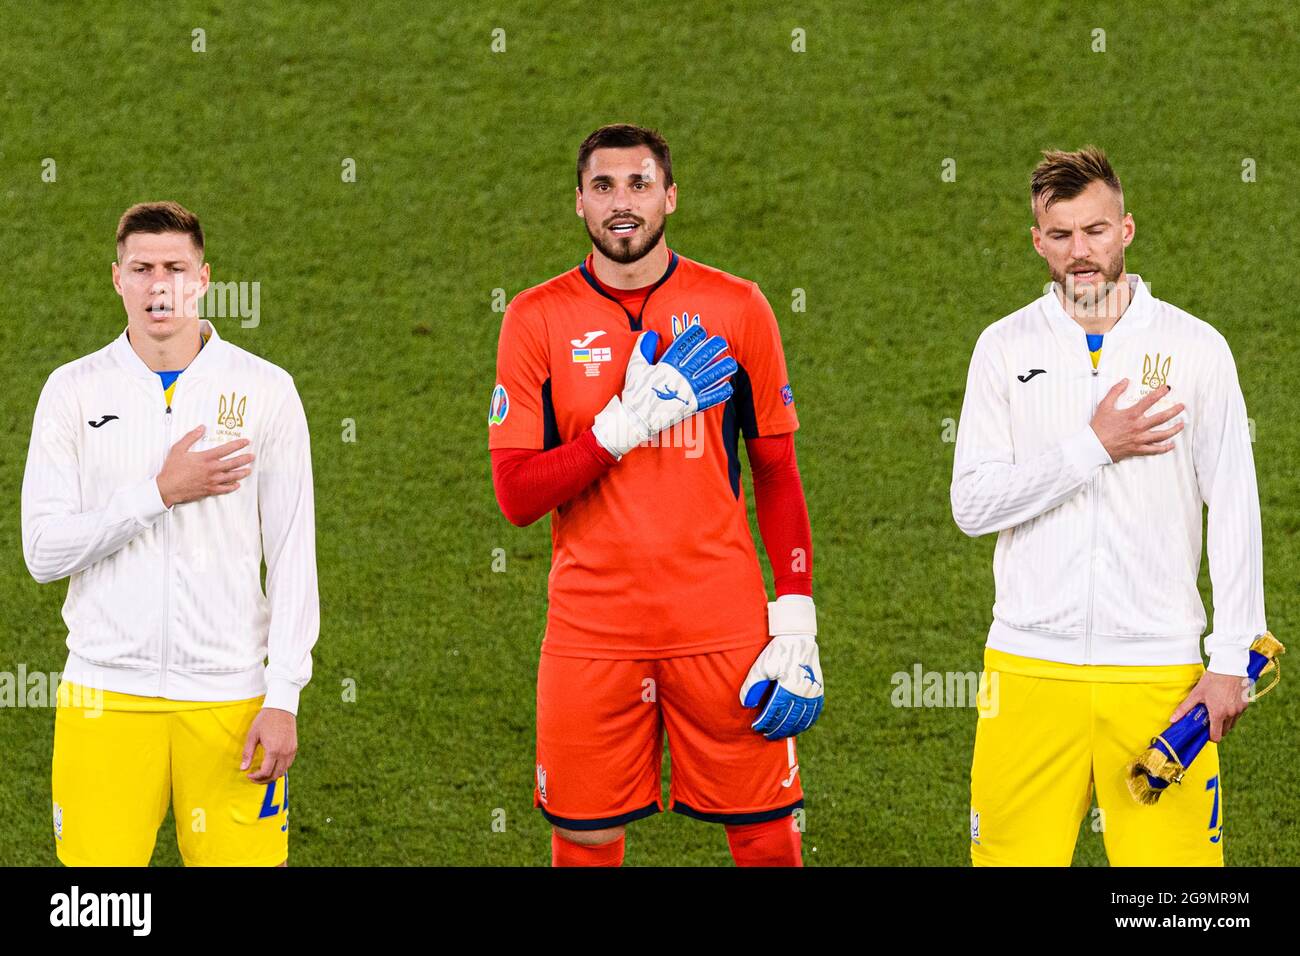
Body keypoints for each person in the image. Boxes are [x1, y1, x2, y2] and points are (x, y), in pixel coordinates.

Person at [488, 124, 822, 867]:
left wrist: (794, 614)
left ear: (670, 195)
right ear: (579, 202)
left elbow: (776, 470)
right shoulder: (535, 319)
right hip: (591, 631)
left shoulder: (738, 308)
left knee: (767, 832)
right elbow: (515, 495)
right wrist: (619, 429)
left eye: (639, 184)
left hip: (724, 624)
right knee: (583, 838)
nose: (622, 203)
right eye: (603, 187)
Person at [951, 147, 1267, 865]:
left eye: (1094, 231)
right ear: (1038, 242)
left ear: (1126, 229)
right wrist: (1092, 446)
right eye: (1060, 236)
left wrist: (1233, 660)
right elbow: (972, 503)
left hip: (1158, 678)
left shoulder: (1196, 350)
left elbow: (1237, 509)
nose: (1080, 252)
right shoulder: (1002, 349)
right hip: (1027, 672)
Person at [22, 201, 319, 866]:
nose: (160, 285)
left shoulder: (267, 391)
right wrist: (159, 494)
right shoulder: (71, 392)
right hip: (104, 701)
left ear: (204, 279)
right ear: (117, 278)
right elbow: (42, 552)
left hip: (229, 703)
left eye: (176, 269)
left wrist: (284, 696)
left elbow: (295, 552)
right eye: (143, 268)